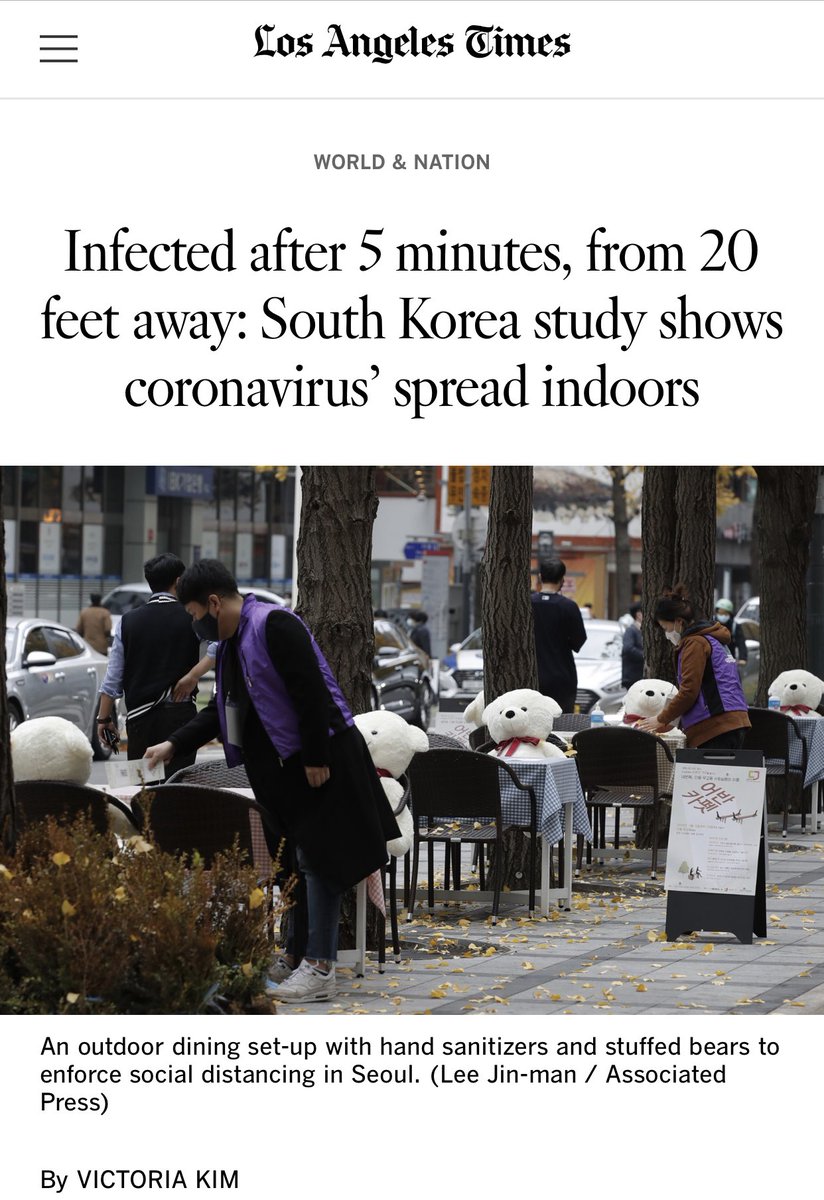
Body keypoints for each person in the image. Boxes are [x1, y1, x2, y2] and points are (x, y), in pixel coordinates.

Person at [144, 559, 399, 1004]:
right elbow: (220, 711)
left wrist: (316, 758)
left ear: (214, 602)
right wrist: (172, 744)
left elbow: (312, 692)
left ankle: (321, 967)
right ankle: (295, 954)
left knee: (320, 862)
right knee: (293, 864)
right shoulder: (230, 644)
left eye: (194, 615)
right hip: (279, 774)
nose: (195, 625)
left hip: (319, 763)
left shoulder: (274, 625)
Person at [96, 553, 201, 778]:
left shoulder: (128, 620)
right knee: (180, 789)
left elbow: (113, 677)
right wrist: (194, 675)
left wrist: (104, 719)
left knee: (143, 791)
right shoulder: (192, 615)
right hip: (181, 717)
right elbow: (217, 648)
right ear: (180, 581)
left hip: (140, 720)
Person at [636, 584, 751, 749]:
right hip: (733, 720)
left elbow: (689, 691)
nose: (666, 633)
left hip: (717, 726)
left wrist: (661, 719)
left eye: (665, 627)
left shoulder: (694, 644)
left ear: (678, 622)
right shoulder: (712, 639)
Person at [531, 561, 588, 713]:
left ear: (540, 577)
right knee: (561, 722)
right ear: (562, 580)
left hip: (531, 675)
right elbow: (579, 641)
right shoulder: (568, 606)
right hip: (562, 677)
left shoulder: (527, 603)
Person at [715, 597, 748, 670]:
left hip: (729, 660)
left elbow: (741, 642)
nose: (723, 615)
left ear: (730, 614)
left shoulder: (734, 626)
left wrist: (743, 658)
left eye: (725, 613)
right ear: (717, 612)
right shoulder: (711, 624)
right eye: (721, 613)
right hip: (713, 660)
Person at [621, 602, 645, 688]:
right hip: (633, 677)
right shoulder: (631, 630)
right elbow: (628, 648)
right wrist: (644, 656)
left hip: (640, 677)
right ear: (638, 615)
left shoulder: (642, 630)